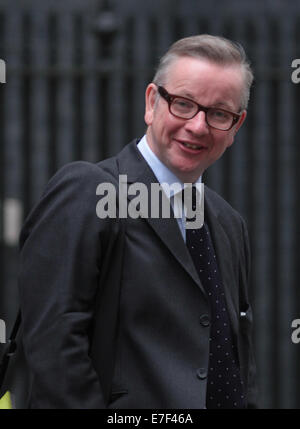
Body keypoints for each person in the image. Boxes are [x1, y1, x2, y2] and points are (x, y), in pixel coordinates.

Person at [18, 34, 258, 409]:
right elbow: (54, 347)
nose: (197, 126)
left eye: (218, 114)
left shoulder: (229, 223)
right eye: (183, 104)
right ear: (151, 102)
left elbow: (235, 356)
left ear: (235, 127)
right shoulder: (90, 191)